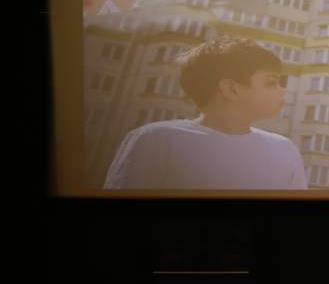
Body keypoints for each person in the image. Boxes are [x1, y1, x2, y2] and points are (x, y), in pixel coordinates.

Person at [104, 36, 308, 190]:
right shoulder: (156, 139)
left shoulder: (284, 150)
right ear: (231, 89)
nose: (282, 90)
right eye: (271, 82)